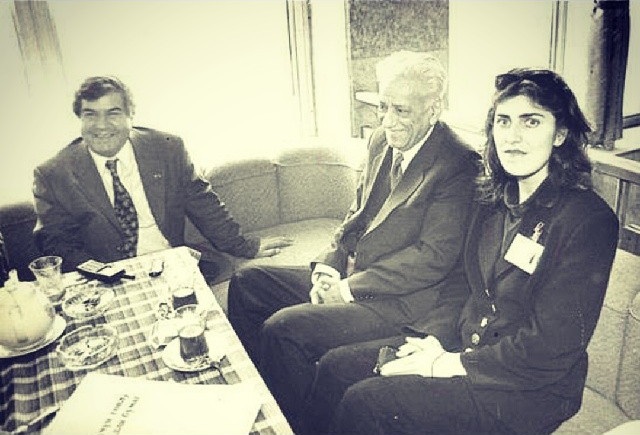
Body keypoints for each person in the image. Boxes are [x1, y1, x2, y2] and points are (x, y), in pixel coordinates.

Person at [303, 68, 620, 435]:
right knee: (335, 368)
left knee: (367, 403)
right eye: (503, 121)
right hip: (460, 345)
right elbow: (462, 286)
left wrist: (448, 364)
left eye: (531, 122)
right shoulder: (492, 198)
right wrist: (433, 341)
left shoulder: (588, 220)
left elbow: (550, 347)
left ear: (560, 134)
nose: (513, 136)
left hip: (526, 388)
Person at [226, 51, 480, 432]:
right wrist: (329, 264)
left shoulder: (459, 164)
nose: (388, 120)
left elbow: (432, 257)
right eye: (383, 107)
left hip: (403, 301)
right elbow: (357, 213)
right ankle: (257, 402)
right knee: (247, 283)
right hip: (356, 274)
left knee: (283, 330)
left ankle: (294, 426)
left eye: (401, 110)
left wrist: (346, 290)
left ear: (433, 110)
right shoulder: (381, 140)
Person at [32, 76, 291, 274]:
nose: (101, 125)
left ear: (130, 116)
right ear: (80, 118)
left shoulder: (167, 149)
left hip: (171, 262)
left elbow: (203, 203)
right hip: (109, 275)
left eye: (113, 113)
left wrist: (244, 246)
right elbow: (58, 244)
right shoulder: (53, 174)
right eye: (91, 114)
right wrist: (105, 275)